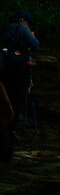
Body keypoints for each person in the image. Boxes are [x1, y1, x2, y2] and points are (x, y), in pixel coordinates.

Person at [0, 11, 33, 161]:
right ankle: (7, 151)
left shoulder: (4, 30)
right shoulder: (22, 31)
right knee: (12, 111)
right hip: (18, 77)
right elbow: (36, 46)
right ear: (22, 21)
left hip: (4, 76)